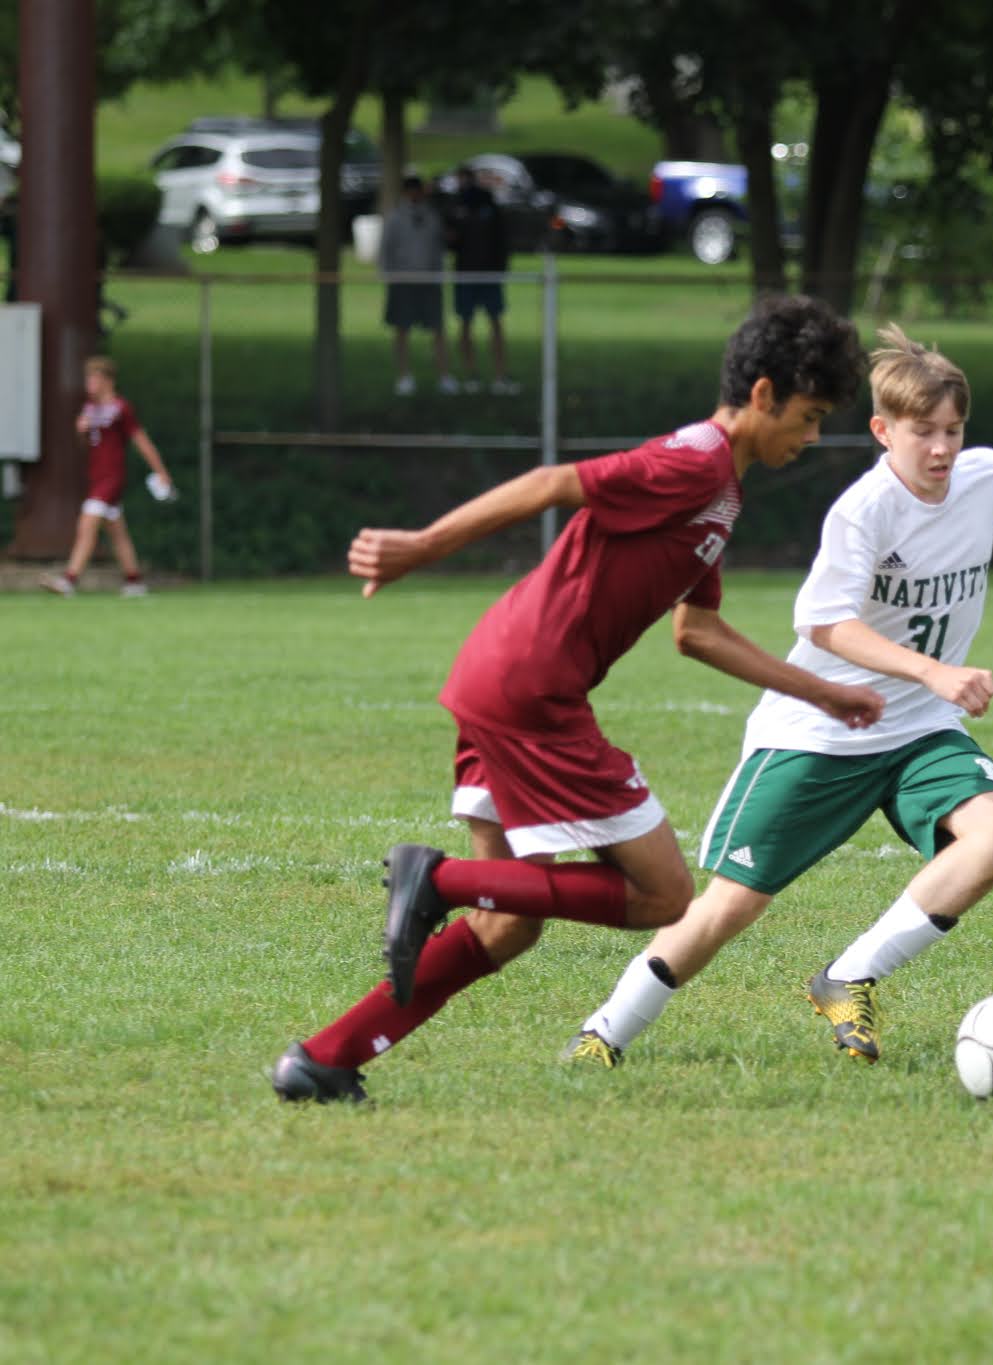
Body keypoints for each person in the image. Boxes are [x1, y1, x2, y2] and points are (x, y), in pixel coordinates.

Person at [268, 296, 883, 1104]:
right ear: (762, 394)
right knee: (663, 894)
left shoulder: (721, 493)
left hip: (498, 675)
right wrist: (421, 545)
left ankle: (325, 1057)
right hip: (532, 687)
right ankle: (437, 880)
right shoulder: (695, 461)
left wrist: (825, 691)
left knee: (508, 922)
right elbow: (557, 482)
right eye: (807, 417)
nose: (810, 439)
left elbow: (697, 631)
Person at [564, 323, 993, 1070]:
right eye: (922, 431)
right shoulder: (865, 512)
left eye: (953, 430)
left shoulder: (980, 472)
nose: (941, 449)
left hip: (920, 731)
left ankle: (850, 975)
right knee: (731, 905)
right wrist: (933, 671)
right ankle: (605, 1030)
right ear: (881, 430)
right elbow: (824, 624)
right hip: (821, 731)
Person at [40, 357, 174, 598]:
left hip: (112, 477)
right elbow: (88, 445)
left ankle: (69, 580)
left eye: (94, 378)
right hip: (97, 476)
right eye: (88, 378)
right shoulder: (89, 409)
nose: (89, 383)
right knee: (117, 532)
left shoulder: (120, 408)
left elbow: (140, 441)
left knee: (87, 523)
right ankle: (134, 581)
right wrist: (80, 431)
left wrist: (160, 471)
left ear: (108, 381)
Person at [379, 174, 454, 397]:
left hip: (429, 281)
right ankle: (403, 376)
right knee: (402, 330)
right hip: (403, 282)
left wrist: (439, 274)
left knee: (437, 329)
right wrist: (390, 276)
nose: (415, 195)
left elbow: (439, 249)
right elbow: (386, 250)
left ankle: (444, 376)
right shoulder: (395, 218)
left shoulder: (432, 216)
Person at [447, 166, 516, 395]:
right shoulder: (457, 207)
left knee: (495, 322)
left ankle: (500, 374)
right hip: (466, 273)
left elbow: (502, 240)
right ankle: (471, 375)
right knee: (466, 323)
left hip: (488, 274)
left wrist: (500, 267)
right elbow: (451, 240)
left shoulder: (489, 206)